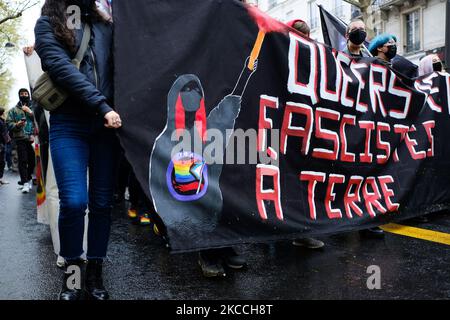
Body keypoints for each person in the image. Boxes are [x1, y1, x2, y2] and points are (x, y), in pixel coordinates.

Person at [35, 0, 121, 300]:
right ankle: (72, 275)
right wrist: (101, 105)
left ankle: (95, 272)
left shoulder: (107, 24)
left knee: (101, 204)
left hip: (108, 128)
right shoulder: (47, 24)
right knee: (73, 202)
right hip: (69, 124)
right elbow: (60, 68)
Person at [6, 89, 36, 193]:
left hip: (33, 138)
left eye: (26, 94)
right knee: (23, 160)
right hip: (20, 138)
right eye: (22, 94)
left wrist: (30, 112)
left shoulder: (34, 107)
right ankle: (25, 182)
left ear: (29, 95)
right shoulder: (14, 110)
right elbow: (8, 123)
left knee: (33, 160)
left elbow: (39, 120)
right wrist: (17, 125)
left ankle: (28, 178)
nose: (24, 95)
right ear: (19, 96)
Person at [0, 107, 11, 185]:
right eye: (3, 112)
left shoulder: (2, 121)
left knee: (2, 162)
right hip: (1, 144)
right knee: (1, 162)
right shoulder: (0, 121)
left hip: (2, 144)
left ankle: (0, 179)